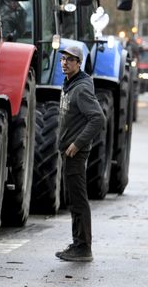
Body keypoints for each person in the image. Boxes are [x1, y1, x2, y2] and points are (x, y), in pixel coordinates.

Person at [56, 46, 105, 262]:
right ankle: (78, 243)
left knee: (78, 200)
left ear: (79, 63)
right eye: (63, 59)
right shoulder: (70, 84)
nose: (64, 63)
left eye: (70, 60)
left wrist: (77, 143)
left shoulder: (81, 89)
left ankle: (83, 247)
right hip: (69, 152)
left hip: (75, 152)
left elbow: (98, 119)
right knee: (74, 198)